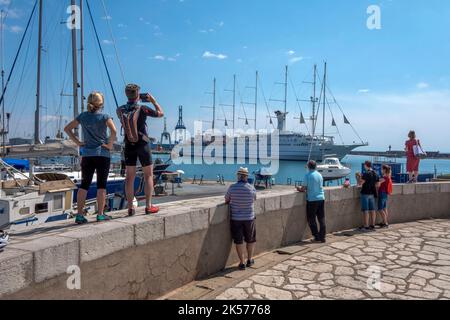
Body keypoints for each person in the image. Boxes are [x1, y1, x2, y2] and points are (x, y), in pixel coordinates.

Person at [65, 92, 117, 224]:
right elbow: (114, 131)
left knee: (84, 185)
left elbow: (67, 129)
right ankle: (100, 214)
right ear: (101, 104)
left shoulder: (83, 116)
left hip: (87, 154)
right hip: (102, 154)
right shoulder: (105, 116)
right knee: (101, 186)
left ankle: (79, 215)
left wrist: (78, 143)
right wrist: (110, 145)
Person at [117, 84, 164, 216]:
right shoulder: (143, 108)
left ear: (126, 94)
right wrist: (153, 101)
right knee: (148, 175)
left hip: (128, 145)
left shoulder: (119, 110)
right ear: (138, 94)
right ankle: (148, 206)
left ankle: (130, 207)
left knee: (129, 178)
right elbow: (161, 113)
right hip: (142, 144)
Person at [225, 168, 257, 271]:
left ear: (238, 176)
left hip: (236, 219)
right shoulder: (251, 188)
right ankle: (250, 259)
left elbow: (226, 200)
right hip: (249, 218)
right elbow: (254, 199)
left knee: (239, 241)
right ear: (246, 176)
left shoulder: (232, 188)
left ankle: (242, 263)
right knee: (250, 239)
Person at [297, 160, 327, 243]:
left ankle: (316, 237)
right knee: (321, 218)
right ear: (315, 166)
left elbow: (303, 188)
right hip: (321, 198)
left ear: (308, 166)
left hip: (312, 200)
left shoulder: (308, 175)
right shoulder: (320, 175)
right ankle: (322, 236)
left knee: (311, 219)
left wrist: (299, 189)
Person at [356, 161, 380, 231]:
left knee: (365, 210)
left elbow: (360, 183)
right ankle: (372, 225)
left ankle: (366, 226)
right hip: (372, 194)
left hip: (365, 193)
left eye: (364, 165)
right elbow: (378, 184)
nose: (364, 166)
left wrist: (359, 178)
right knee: (372, 210)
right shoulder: (375, 173)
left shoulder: (366, 173)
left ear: (366, 165)